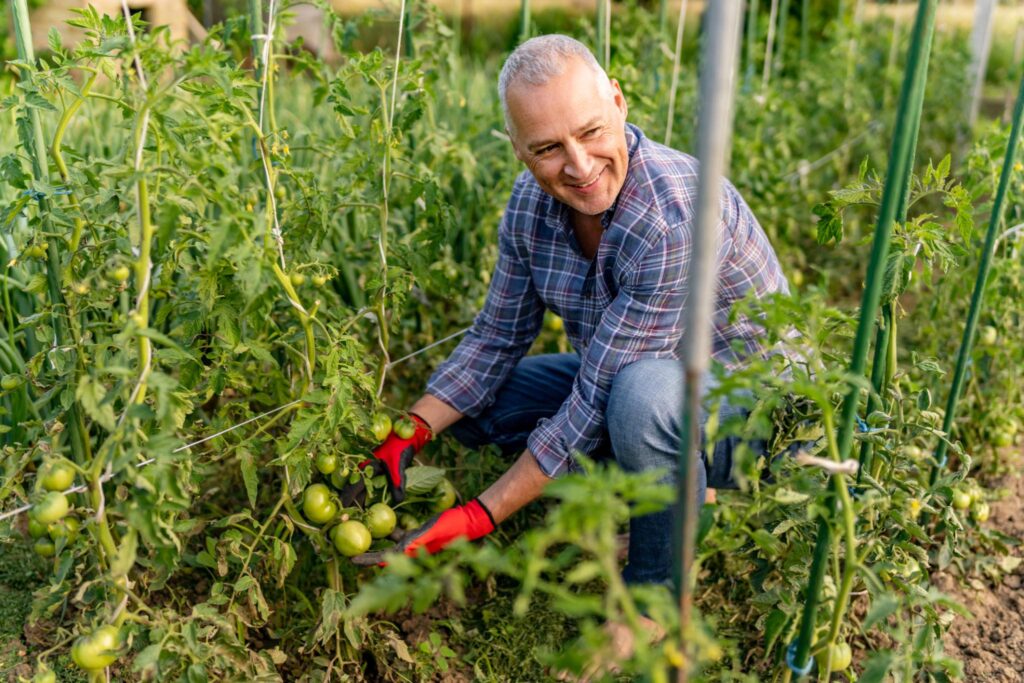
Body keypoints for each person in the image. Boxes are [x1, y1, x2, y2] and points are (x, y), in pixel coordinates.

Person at [352, 35, 788, 592]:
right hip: (646, 383)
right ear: (518, 148)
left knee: (639, 399)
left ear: (618, 102)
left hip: (757, 412)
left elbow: (600, 396)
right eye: (547, 148)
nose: (580, 166)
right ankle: (679, 492)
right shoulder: (530, 206)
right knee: (482, 409)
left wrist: (478, 516)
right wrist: (406, 433)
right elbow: (495, 337)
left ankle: (655, 595)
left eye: (591, 132)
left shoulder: (671, 215)